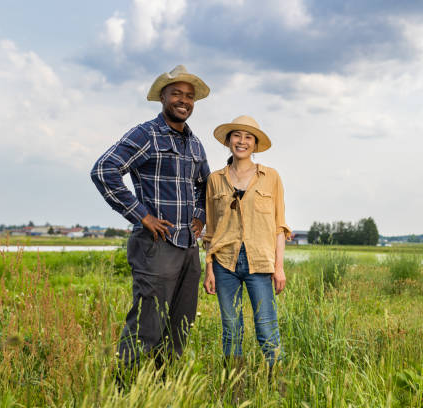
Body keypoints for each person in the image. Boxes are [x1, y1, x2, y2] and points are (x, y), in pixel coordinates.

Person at [91, 65, 210, 370]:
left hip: (188, 248)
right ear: (163, 97)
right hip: (156, 246)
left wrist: (199, 216)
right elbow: (105, 170)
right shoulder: (146, 134)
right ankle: (123, 388)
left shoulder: (195, 143)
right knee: (147, 327)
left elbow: (206, 187)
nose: (183, 100)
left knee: (179, 328)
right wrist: (142, 216)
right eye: (176, 94)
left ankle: (163, 391)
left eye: (189, 96)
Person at [202, 115, 291, 373]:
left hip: (260, 263)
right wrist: (208, 268)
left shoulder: (271, 177)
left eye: (248, 137)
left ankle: (279, 387)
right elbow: (210, 229)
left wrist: (279, 267)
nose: (242, 141)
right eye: (237, 136)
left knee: (266, 328)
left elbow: (278, 226)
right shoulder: (215, 179)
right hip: (224, 264)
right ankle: (234, 387)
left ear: (255, 143)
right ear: (229, 141)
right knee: (231, 330)